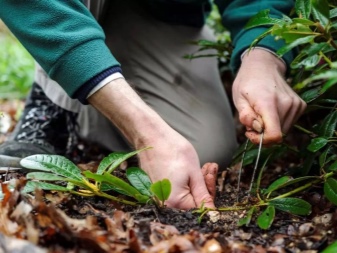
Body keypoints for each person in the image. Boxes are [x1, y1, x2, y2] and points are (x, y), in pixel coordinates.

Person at [0, 0, 306, 210]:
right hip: (74, 7)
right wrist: (146, 133)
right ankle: (53, 104)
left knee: (206, 152)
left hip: (163, 18)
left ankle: (98, 93)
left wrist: (263, 53)